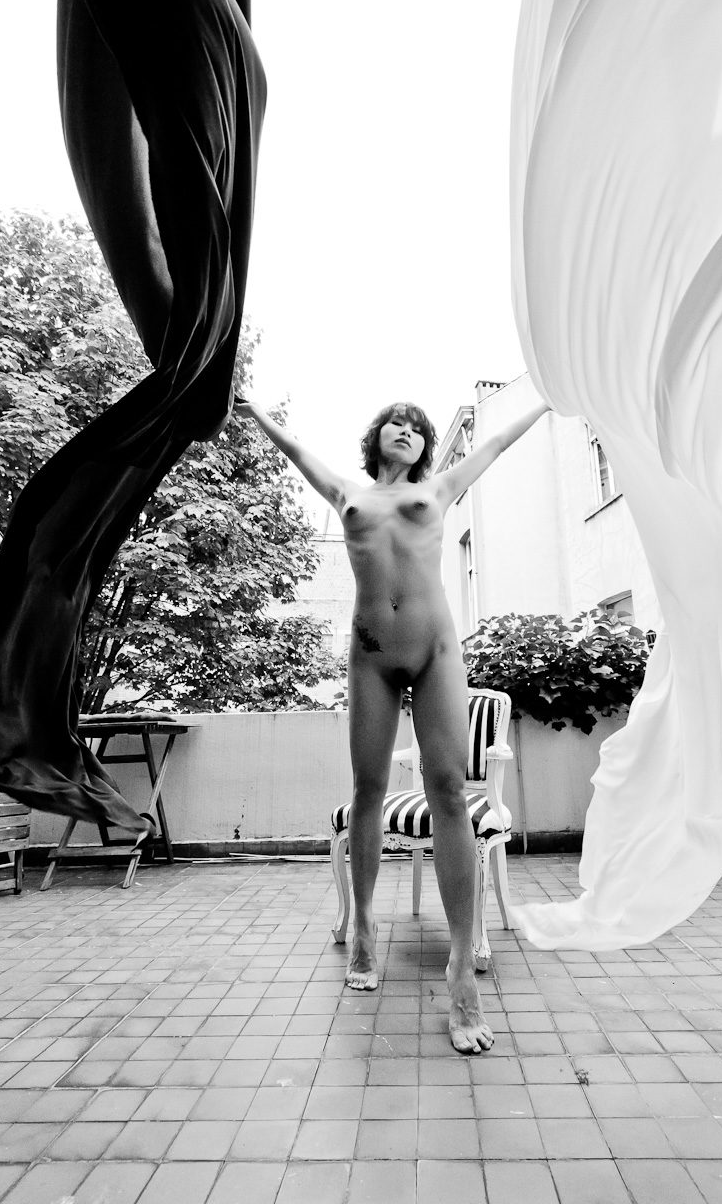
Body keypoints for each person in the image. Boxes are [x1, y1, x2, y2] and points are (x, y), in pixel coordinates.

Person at [236, 394, 550, 1051]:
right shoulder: (347, 493)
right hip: (371, 656)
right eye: (394, 424)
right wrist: (253, 411)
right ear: (375, 437)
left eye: (417, 428)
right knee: (367, 792)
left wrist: (546, 399)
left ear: (427, 447)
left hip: (436, 651)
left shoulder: (440, 487)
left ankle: (460, 965)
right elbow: (295, 450)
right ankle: (363, 927)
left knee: (448, 794)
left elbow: (495, 445)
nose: (405, 431)